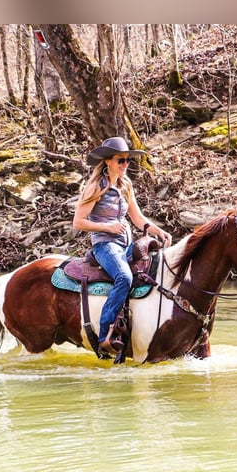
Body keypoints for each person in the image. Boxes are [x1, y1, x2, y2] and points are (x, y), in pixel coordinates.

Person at [73, 136, 172, 357]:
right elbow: (78, 222)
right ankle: (106, 334)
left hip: (125, 246)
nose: (125, 165)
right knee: (124, 278)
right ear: (108, 161)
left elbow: (137, 217)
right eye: (121, 160)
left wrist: (157, 230)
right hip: (105, 246)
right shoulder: (95, 187)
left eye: (127, 160)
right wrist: (108, 227)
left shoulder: (125, 185)